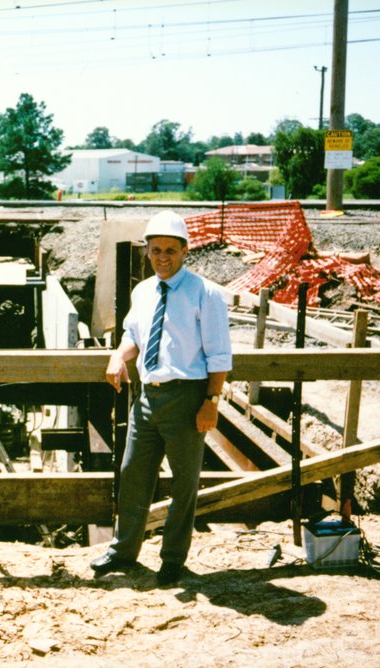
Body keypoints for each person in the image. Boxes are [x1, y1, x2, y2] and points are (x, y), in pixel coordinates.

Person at [90, 210, 232, 586]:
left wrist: (211, 402)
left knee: (184, 483)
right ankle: (123, 551)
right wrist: (117, 356)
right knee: (133, 474)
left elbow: (219, 356)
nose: (162, 257)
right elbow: (134, 336)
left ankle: (172, 560)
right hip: (146, 397)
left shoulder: (207, 294)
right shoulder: (143, 291)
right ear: (147, 252)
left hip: (187, 398)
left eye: (170, 250)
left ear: (186, 251)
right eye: (155, 250)